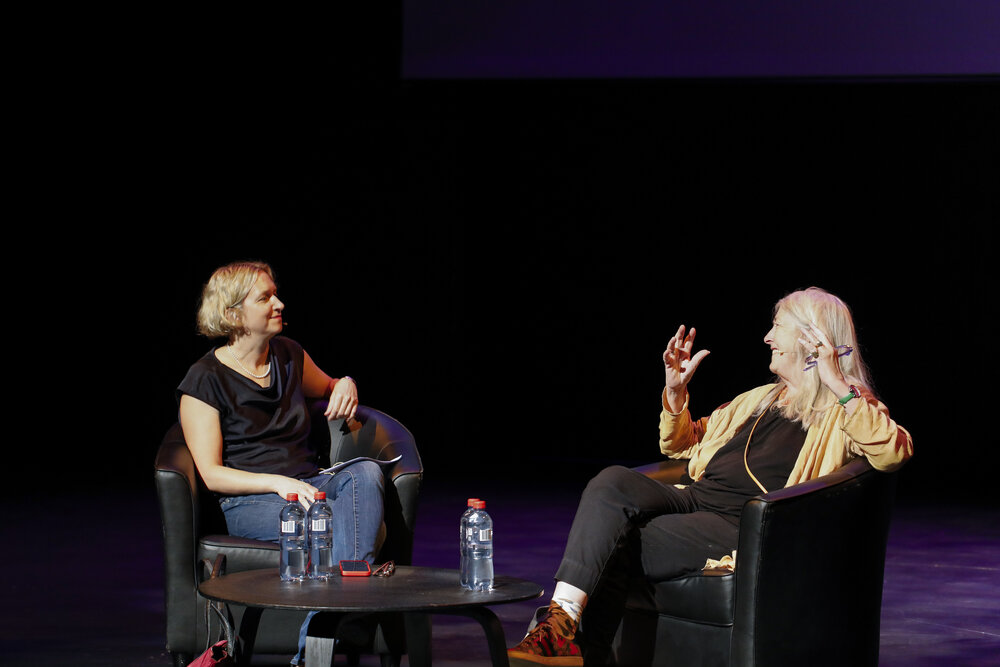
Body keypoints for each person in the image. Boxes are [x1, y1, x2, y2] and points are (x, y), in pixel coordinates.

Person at [507, 287, 913, 667]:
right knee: (612, 480)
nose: (767, 337)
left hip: (740, 523)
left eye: (778, 328)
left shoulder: (848, 407)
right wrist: (675, 395)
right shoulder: (758, 398)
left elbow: (892, 452)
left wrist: (838, 383)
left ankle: (570, 645)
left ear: (813, 341)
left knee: (619, 541)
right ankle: (561, 630)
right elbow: (682, 444)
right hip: (695, 498)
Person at [177, 261, 385, 666]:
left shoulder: (289, 355)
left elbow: (330, 385)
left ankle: (317, 640)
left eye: (275, 293)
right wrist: (275, 483)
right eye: (265, 297)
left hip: (310, 484)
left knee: (367, 472)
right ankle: (345, 618)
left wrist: (345, 383)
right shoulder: (204, 379)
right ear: (233, 314)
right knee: (336, 526)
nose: (279, 303)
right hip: (251, 501)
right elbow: (211, 474)